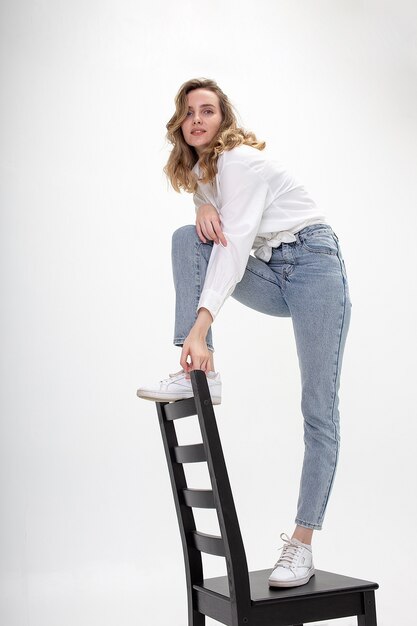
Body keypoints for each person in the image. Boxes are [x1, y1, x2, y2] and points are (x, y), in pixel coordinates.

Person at [137, 78, 351, 588]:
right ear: (180, 125)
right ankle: (199, 376)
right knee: (187, 238)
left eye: (207, 110)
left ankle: (301, 545)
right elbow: (212, 238)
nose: (197, 119)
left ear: (222, 119)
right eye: (188, 112)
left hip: (316, 268)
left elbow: (231, 254)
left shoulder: (238, 163)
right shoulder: (207, 175)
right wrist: (200, 206)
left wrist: (201, 327)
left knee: (318, 408)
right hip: (273, 270)